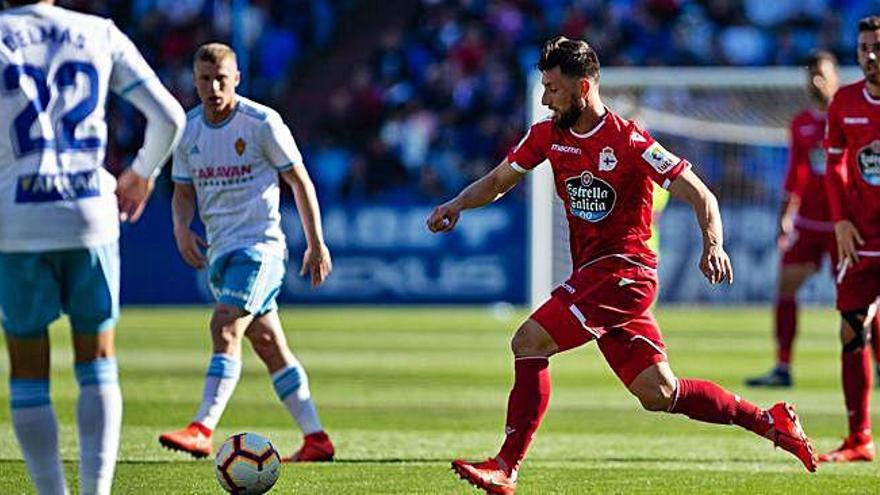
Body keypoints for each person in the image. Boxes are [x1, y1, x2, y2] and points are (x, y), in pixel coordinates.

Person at [427, 37, 817, 495]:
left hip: (625, 274)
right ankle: (770, 421)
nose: (544, 99)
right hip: (595, 278)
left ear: (584, 87)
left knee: (528, 341)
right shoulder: (547, 135)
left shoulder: (629, 140)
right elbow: (496, 183)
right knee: (659, 393)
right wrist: (456, 203)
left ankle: (506, 466)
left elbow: (700, 192)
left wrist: (713, 244)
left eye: (552, 89)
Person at [0, 1, 185, 494]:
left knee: (27, 369)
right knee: (97, 360)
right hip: (90, 213)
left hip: (16, 218)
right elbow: (169, 117)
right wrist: (142, 175)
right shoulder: (98, 33)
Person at [158, 43, 335, 463]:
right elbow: (182, 192)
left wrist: (316, 242)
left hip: (261, 250)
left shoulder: (261, 123)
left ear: (236, 78)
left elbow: (299, 181)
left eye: (222, 78)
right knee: (270, 344)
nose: (214, 87)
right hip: (221, 252)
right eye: (205, 79)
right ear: (195, 81)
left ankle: (202, 427)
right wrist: (181, 228)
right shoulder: (188, 130)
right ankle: (316, 439)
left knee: (224, 326)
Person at [746, 51, 880, 387]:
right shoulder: (801, 123)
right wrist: (785, 216)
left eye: (822, 74)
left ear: (837, 76)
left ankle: (878, 366)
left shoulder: (853, 113)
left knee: (863, 299)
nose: (816, 82)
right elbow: (796, 174)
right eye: (811, 76)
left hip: (845, 225)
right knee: (786, 287)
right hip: (807, 223)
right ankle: (782, 367)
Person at [819, 15, 880, 463]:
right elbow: (836, 168)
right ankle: (859, 437)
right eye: (864, 49)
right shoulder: (843, 102)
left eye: (877, 47)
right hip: (859, 237)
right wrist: (840, 221)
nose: (871, 57)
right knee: (850, 330)